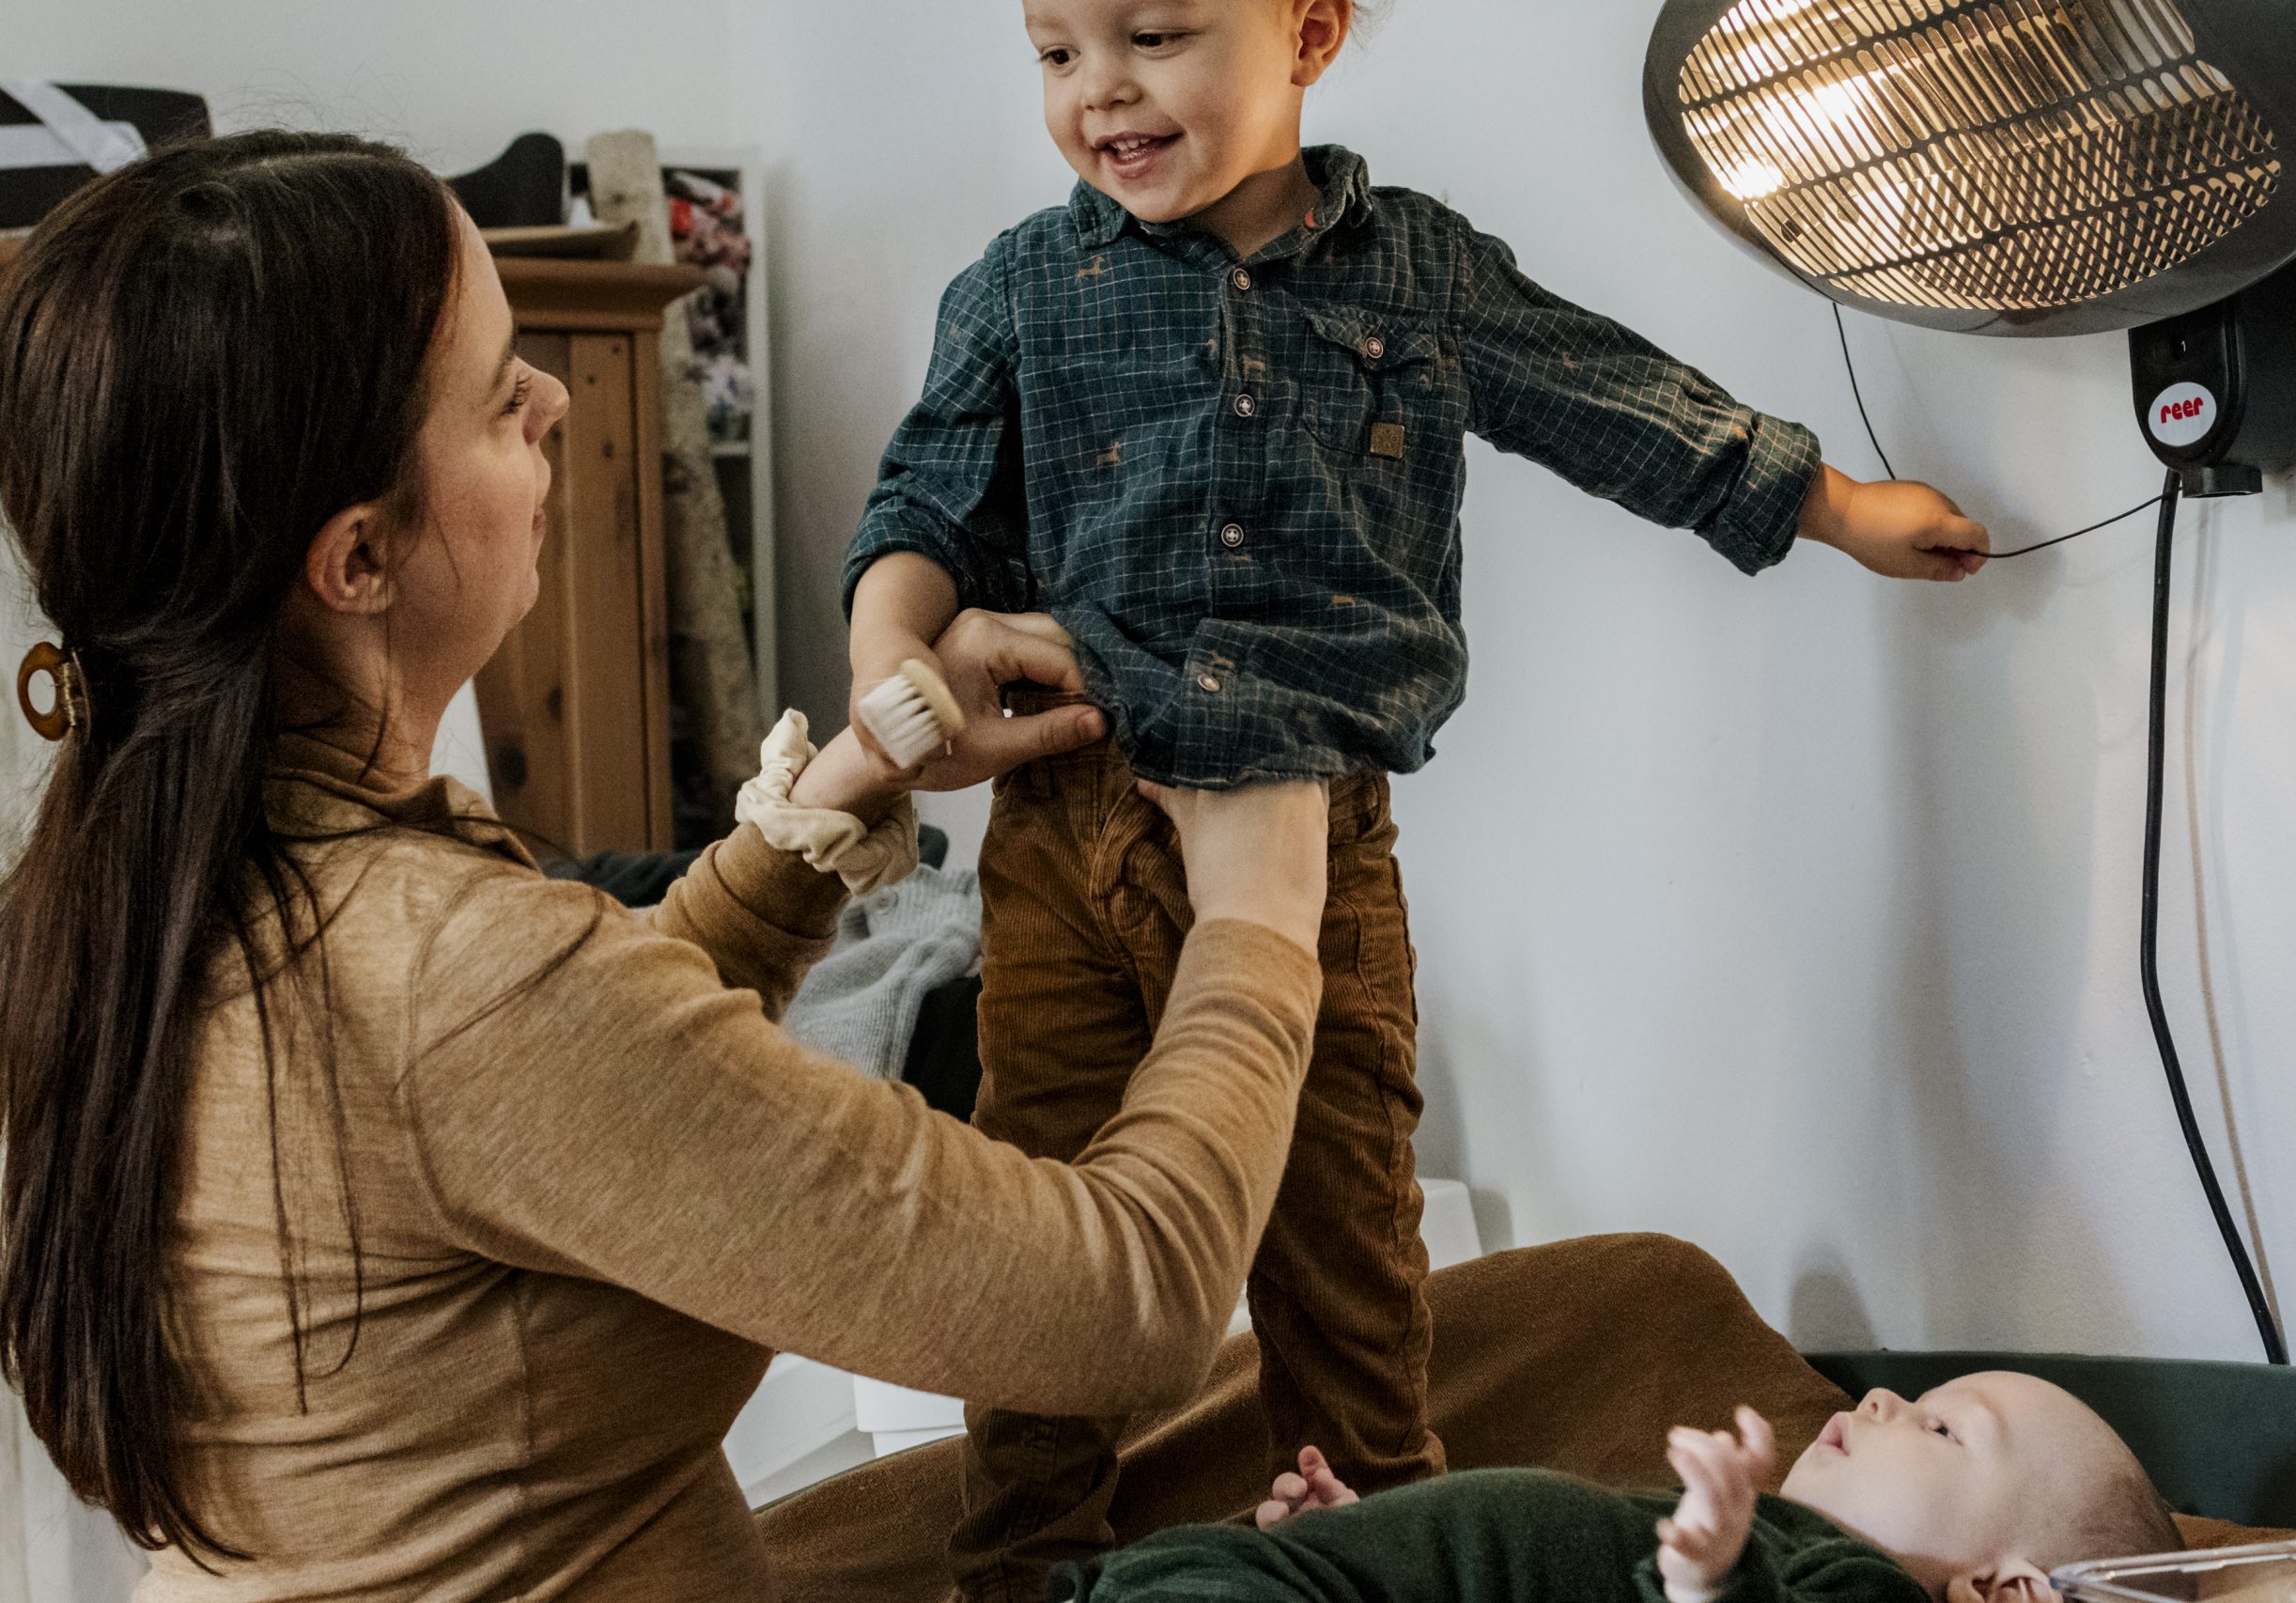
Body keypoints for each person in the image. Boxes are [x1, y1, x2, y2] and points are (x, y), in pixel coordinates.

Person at [0, 131, 1336, 1601]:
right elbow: (1126, 1300)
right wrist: (1261, 928)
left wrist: (822, 818)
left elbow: (565, 1078)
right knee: (1592, 1319)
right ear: (357, 560)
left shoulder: (127, 890)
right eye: (502, 397)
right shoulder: (455, 971)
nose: (557, 399)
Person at [840, 1, 1993, 1594]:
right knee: (1051, 1240)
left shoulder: (1420, 274)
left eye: (1155, 34)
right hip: (1074, 841)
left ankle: (1392, 1541)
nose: (1100, 88)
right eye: (1055, 54)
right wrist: (889, 654)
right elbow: (922, 503)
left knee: (1351, 1253)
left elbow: (1616, 402)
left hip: (1320, 845)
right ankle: (1024, 1568)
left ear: (1308, 31)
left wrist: (1843, 506)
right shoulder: (1022, 289)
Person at [1058, 1373, 2183, 1601]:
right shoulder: (1777, 1534)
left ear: (2006, 1592)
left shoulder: (1856, 1587)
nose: (1884, 1392)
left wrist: (1710, 1583)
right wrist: (1374, 1541)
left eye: (1944, 1426)